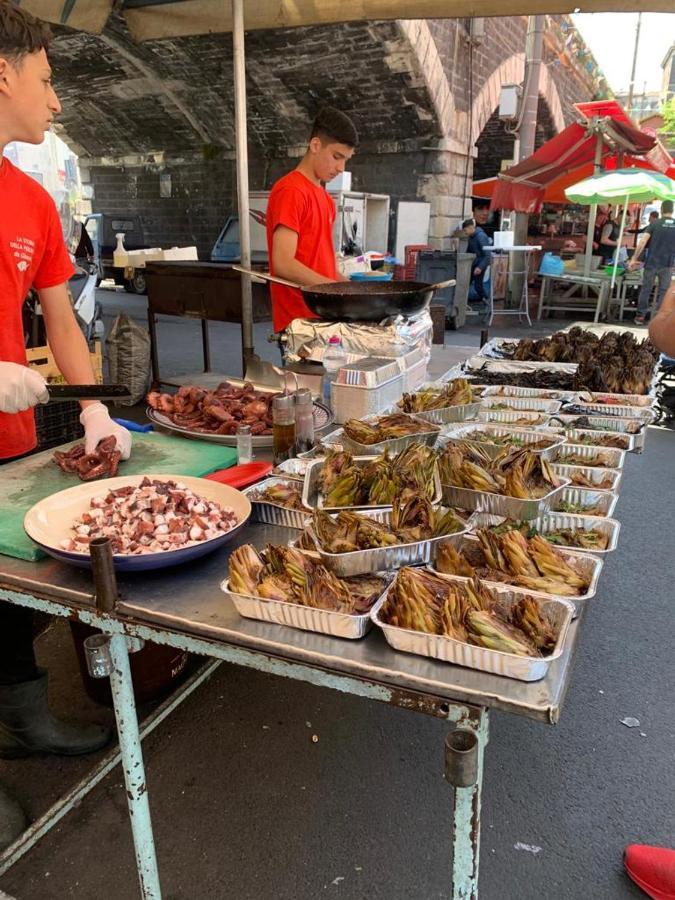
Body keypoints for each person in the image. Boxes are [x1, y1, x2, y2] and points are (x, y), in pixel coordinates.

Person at [0, 2, 131, 849]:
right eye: (46, 80)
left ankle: (24, 719)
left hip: (12, 439)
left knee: (11, 605)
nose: (56, 102)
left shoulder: (33, 200)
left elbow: (60, 311)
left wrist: (88, 403)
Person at [265, 107, 358, 334]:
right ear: (315, 145)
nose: (341, 168)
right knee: (307, 372)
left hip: (324, 315)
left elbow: (321, 261)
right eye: (336, 157)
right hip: (300, 320)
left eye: (346, 160)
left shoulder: (326, 199)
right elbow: (283, 263)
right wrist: (332, 289)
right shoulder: (291, 191)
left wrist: (352, 288)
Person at [628, 200, 675, 325]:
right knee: (663, 291)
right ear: (672, 210)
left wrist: (634, 258)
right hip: (668, 264)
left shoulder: (654, 224)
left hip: (652, 263)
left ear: (661, 209)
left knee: (646, 289)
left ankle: (640, 317)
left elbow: (642, 242)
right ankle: (658, 319)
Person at [462, 217, 491, 305]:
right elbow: (469, 251)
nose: (465, 232)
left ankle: (487, 301)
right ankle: (463, 303)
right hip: (474, 263)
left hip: (480, 263)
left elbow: (487, 255)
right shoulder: (471, 236)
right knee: (466, 283)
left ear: (471, 227)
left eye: (465, 230)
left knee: (478, 286)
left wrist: (480, 267)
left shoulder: (481, 236)